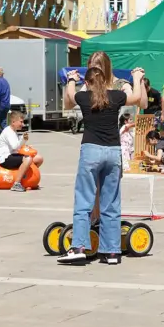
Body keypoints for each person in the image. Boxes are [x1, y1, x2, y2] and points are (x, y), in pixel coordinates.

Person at [58, 65, 144, 265]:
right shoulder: (116, 96)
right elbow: (136, 97)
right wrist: (137, 77)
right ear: (105, 81)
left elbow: (69, 96)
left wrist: (72, 79)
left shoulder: (83, 97)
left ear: (87, 83)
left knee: (84, 200)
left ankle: (78, 248)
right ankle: (112, 252)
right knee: (111, 202)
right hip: (113, 152)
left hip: (91, 151)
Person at [0, 111, 44, 192]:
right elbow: (15, 147)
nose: (23, 124)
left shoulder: (14, 132)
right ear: (13, 122)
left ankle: (30, 180)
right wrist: (23, 139)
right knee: (28, 159)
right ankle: (16, 184)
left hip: (13, 155)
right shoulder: (8, 132)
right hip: (5, 158)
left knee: (39, 158)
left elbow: (18, 147)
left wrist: (25, 144)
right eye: (21, 122)